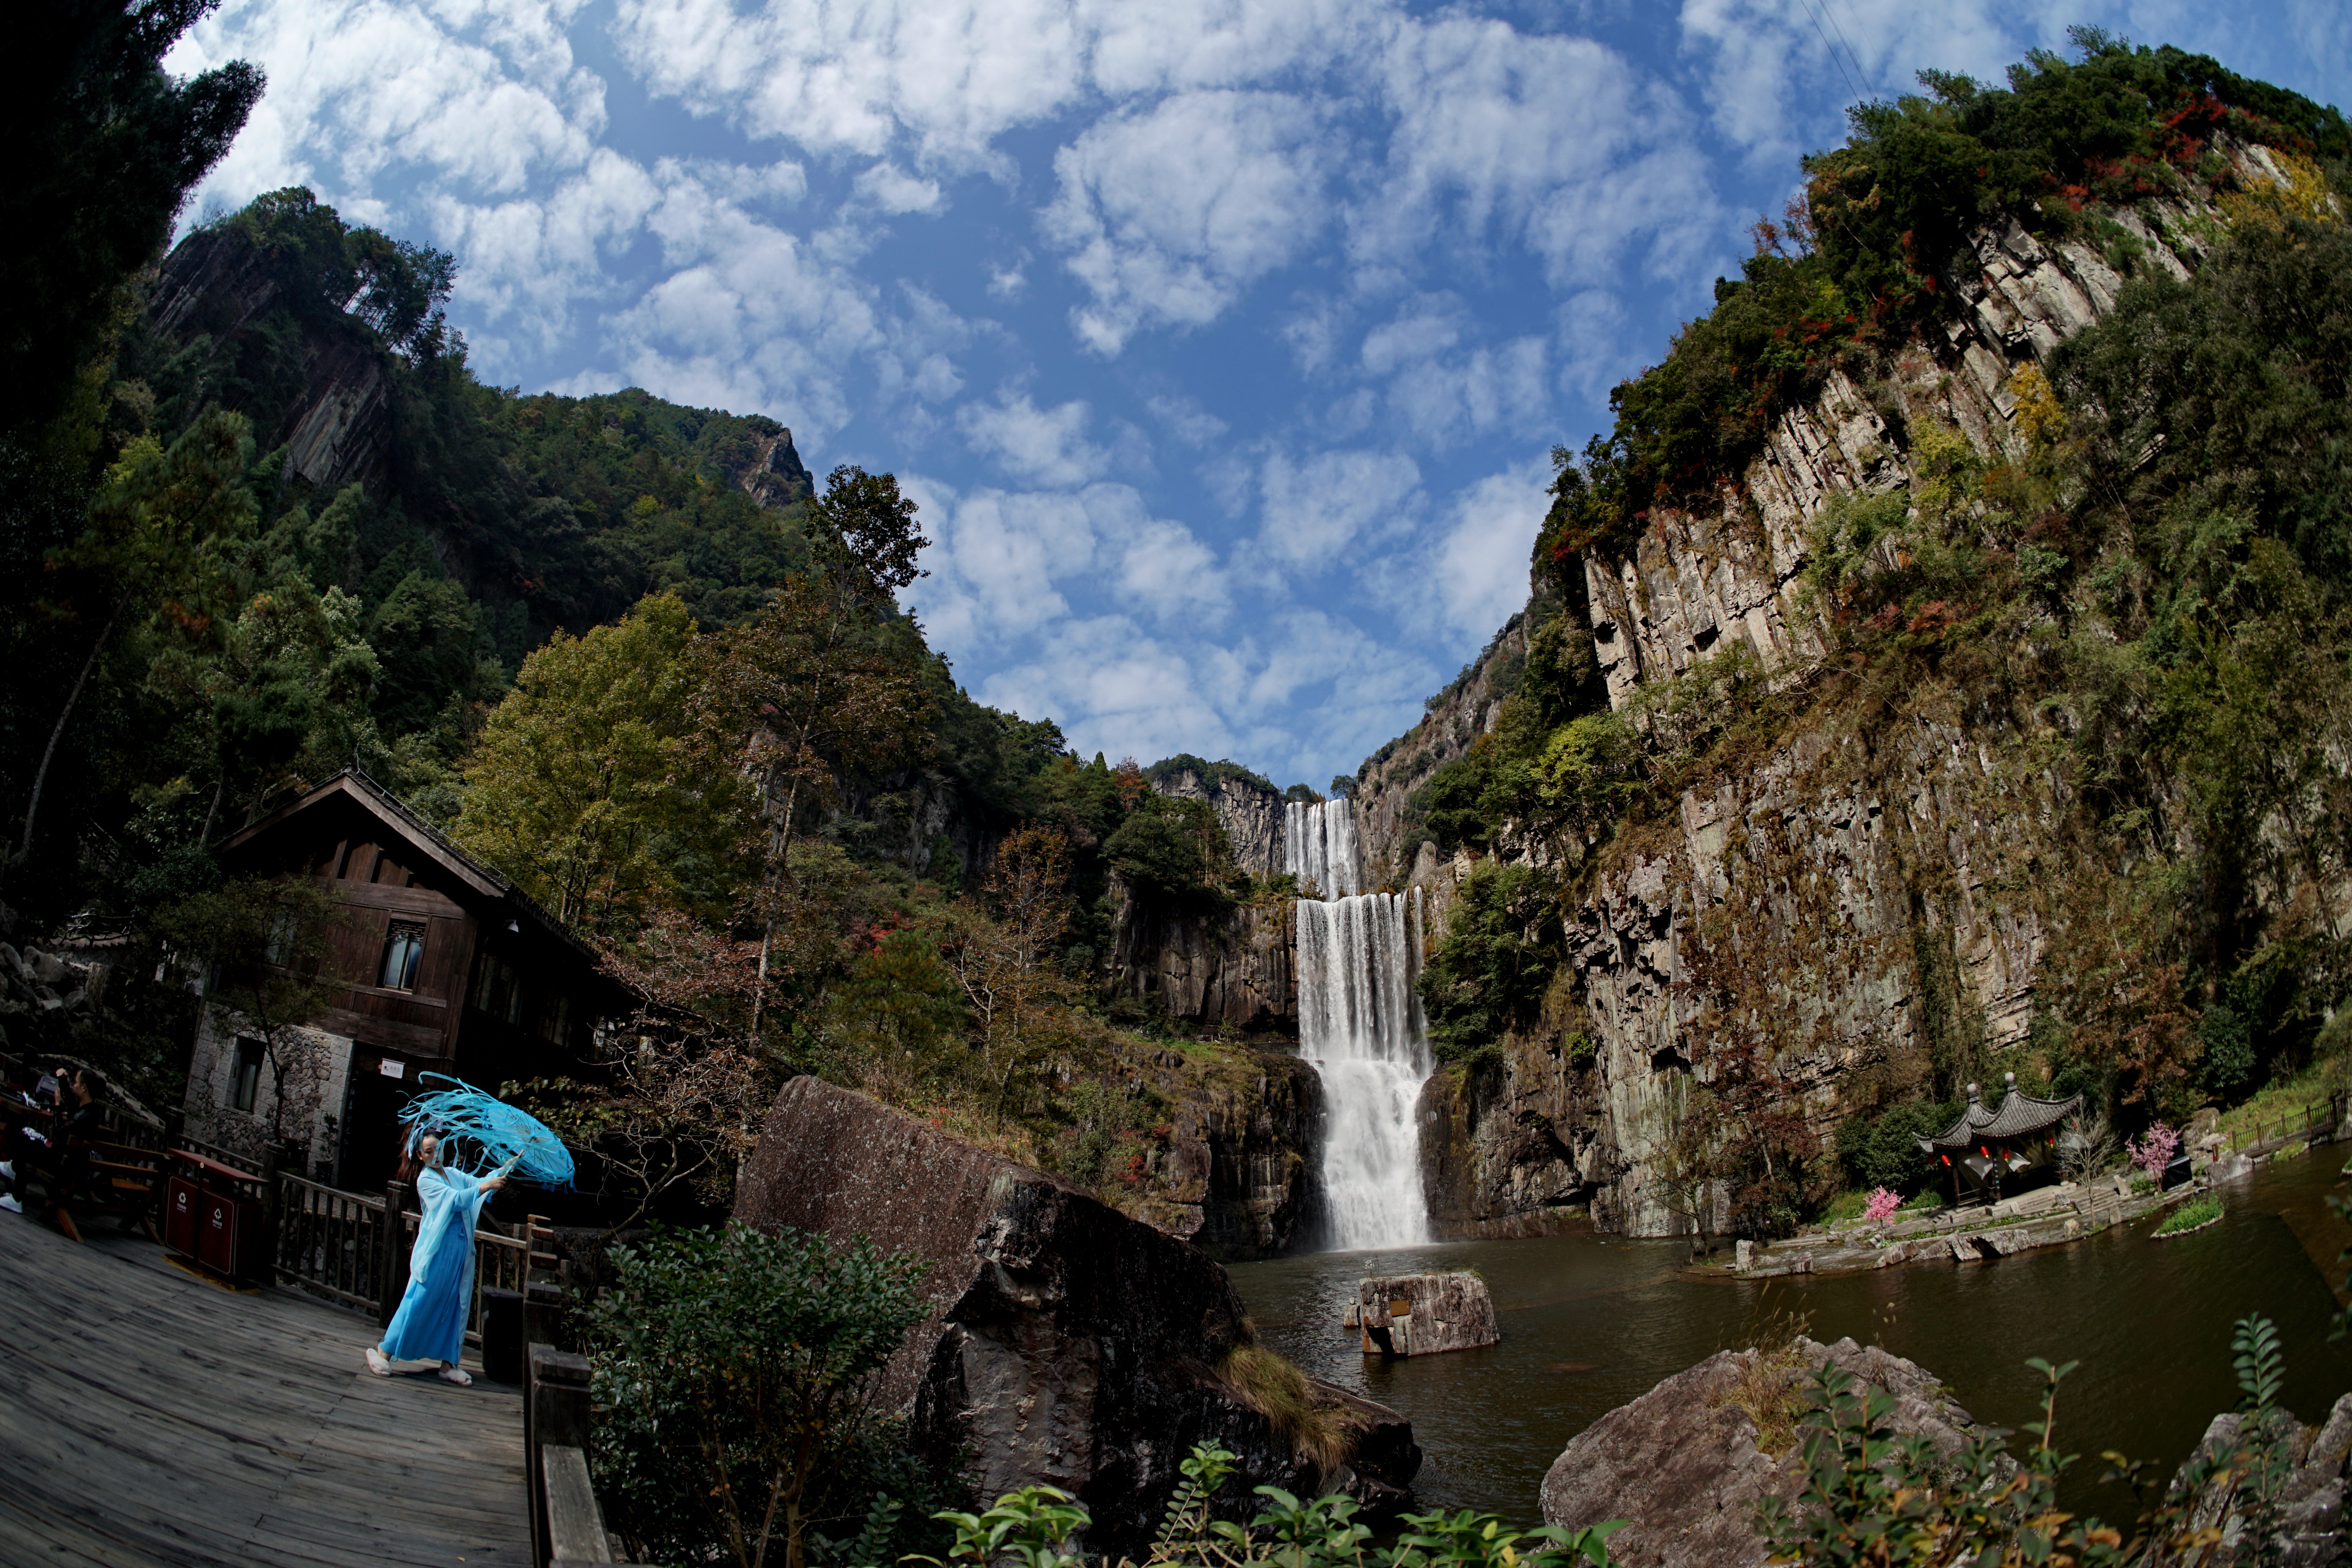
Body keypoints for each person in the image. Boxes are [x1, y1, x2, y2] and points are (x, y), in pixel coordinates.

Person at [365, 1129, 509, 1385]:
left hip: (460, 1249)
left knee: (456, 1304)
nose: (436, 1155)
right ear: (420, 1156)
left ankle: (449, 1363)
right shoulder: (425, 1180)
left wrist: (504, 1168)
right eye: (429, 1152)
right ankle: (384, 1351)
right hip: (438, 1250)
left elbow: (475, 1184)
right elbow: (454, 1201)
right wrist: (485, 1186)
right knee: (420, 1299)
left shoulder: (452, 1174)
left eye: (438, 1149)